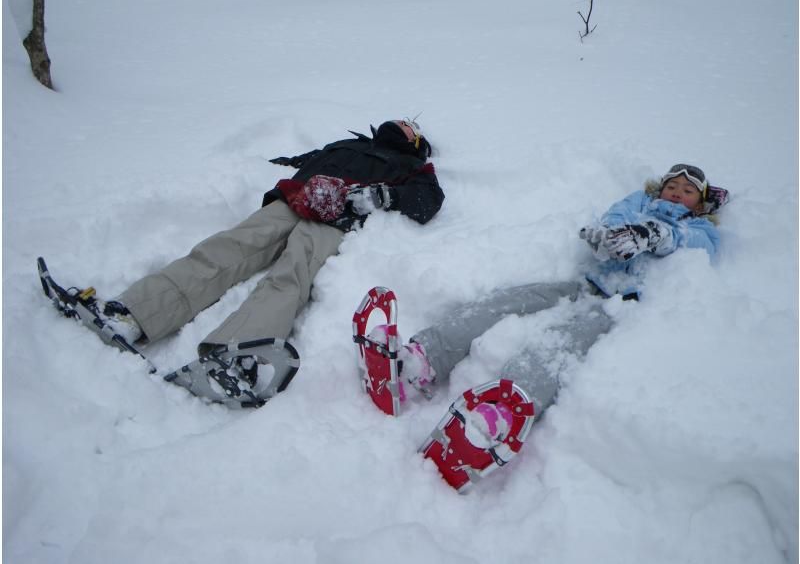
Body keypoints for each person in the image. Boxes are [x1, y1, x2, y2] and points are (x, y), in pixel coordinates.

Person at [355, 164, 727, 491]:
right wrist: (608, 235)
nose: (677, 193)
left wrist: (650, 235)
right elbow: (617, 215)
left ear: (701, 201)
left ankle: (503, 412)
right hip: (588, 284)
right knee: (509, 301)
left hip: (622, 306)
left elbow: (691, 243)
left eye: (688, 190)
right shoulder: (639, 202)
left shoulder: (700, 229)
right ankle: (423, 358)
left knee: (559, 347)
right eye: (672, 186)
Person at [54, 119, 445, 399]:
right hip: (294, 199)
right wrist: (276, 163)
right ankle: (133, 314)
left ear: (416, 144)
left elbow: (428, 200)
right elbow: (304, 159)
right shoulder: (346, 144)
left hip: (337, 215)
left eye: (413, 127)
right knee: (226, 249)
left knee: (294, 274)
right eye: (404, 121)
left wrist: (382, 197)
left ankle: (238, 352)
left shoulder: (412, 166)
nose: (405, 124)